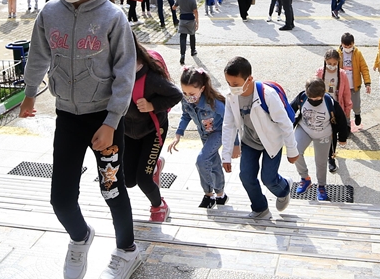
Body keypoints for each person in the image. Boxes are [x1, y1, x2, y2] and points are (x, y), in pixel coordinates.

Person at [18, 0, 143, 279]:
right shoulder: (49, 13)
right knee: (60, 197)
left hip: (103, 118)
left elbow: (124, 73)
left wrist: (111, 121)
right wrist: (29, 95)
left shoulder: (112, 17)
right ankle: (80, 237)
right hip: (67, 117)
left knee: (112, 189)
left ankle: (126, 250)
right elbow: (39, 56)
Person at [221, 56, 299, 219]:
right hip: (249, 142)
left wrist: (292, 151)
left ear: (249, 79)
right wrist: (226, 155)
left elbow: (285, 123)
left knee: (268, 179)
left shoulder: (267, 95)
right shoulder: (231, 96)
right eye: (228, 83)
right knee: (246, 176)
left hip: (271, 142)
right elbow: (228, 125)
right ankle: (260, 208)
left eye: (235, 84)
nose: (231, 87)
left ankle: (284, 188)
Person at [124, 40, 180, 223]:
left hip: (153, 131)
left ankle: (159, 205)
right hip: (128, 131)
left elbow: (176, 95)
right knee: (127, 180)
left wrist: (152, 105)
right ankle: (154, 166)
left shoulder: (150, 76)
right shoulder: (115, 71)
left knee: (144, 179)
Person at [174, 68, 229, 208]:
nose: (188, 97)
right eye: (185, 92)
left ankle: (208, 195)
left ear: (202, 88)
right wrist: (178, 134)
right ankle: (221, 195)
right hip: (204, 134)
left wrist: (234, 144)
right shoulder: (186, 100)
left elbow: (230, 120)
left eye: (192, 93)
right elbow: (186, 115)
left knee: (201, 160)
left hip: (218, 133)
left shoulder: (213, 102)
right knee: (213, 162)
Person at [289, 79, 351, 202]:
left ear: (323, 94)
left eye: (317, 99)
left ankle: (321, 186)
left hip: (324, 134)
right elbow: (290, 110)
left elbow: (342, 120)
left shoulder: (330, 102)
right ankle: (305, 178)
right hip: (305, 129)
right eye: (311, 98)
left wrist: (342, 137)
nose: (314, 101)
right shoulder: (302, 97)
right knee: (295, 151)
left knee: (321, 162)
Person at [338, 33, 372, 127]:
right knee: (345, 106)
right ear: (341, 44)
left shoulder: (357, 54)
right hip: (343, 86)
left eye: (350, 46)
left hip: (354, 85)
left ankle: (357, 114)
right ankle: (347, 124)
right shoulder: (338, 54)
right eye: (345, 46)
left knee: (356, 104)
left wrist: (367, 83)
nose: (348, 48)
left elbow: (364, 68)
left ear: (353, 43)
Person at [176, 0, 199, 64]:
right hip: (190, 20)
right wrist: (197, 21)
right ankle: (193, 50)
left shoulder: (179, 0)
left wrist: (174, 7)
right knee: (192, 35)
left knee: (183, 37)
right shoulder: (192, 0)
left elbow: (174, 7)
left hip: (182, 20)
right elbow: (195, 11)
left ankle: (182, 54)